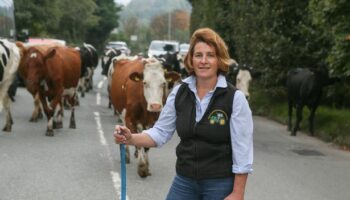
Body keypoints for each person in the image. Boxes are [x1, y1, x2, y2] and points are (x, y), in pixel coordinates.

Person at [114, 27, 253, 200]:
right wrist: (131, 138)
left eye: (210, 55)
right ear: (191, 60)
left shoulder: (235, 99)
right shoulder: (179, 92)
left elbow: (243, 150)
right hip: (185, 182)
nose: (204, 61)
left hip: (219, 184)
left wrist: (238, 193)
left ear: (219, 60)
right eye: (198, 55)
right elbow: (160, 132)